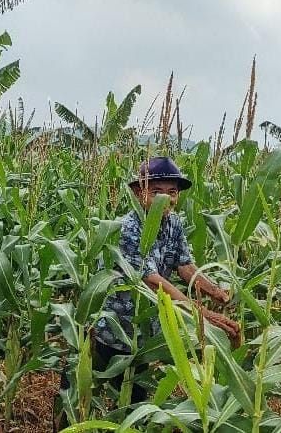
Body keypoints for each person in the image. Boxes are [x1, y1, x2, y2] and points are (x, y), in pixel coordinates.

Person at [91, 156, 240, 401]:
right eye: (156, 192)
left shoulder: (173, 223)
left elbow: (185, 266)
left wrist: (216, 291)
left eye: (172, 192)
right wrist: (200, 314)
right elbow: (151, 280)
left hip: (144, 332)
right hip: (117, 329)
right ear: (139, 193)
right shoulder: (128, 229)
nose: (166, 199)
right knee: (95, 389)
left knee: (134, 395)